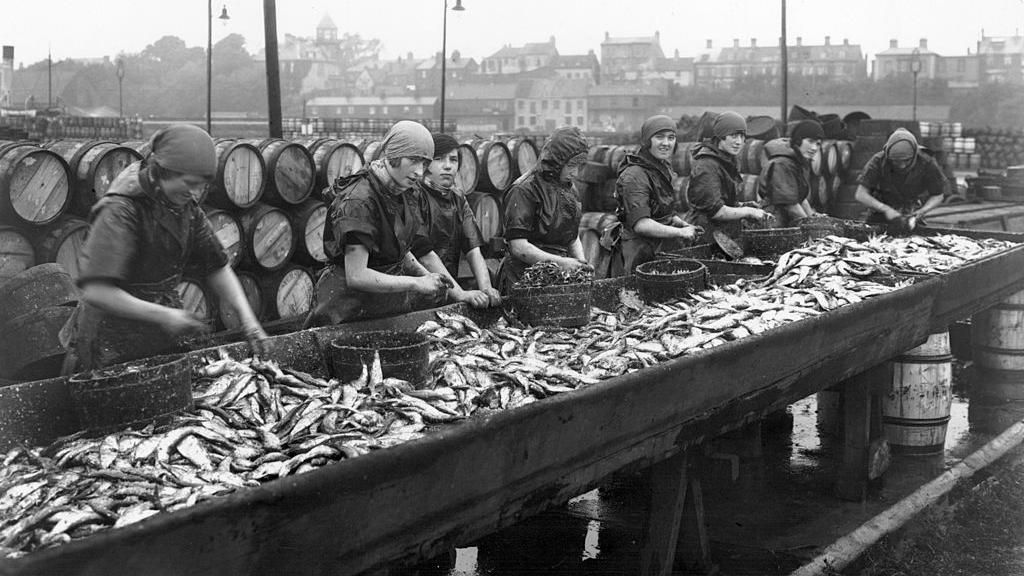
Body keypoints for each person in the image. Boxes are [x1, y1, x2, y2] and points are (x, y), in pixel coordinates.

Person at [60, 123, 267, 372]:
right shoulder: (121, 210)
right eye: (189, 183)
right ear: (161, 172)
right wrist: (164, 315)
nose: (196, 193)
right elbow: (97, 291)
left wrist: (248, 318)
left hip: (155, 328)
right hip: (107, 339)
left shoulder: (184, 207)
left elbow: (217, 266)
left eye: (202, 185)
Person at [304, 120, 452, 327]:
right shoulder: (359, 201)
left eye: (425, 164)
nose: (420, 172)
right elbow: (357, 275)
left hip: (386, 307)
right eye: (413, 160)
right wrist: (416, 282)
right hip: (345, 310)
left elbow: (399, 245)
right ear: (393, 156)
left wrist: (427, 276)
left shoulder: (406, 191)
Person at [413, 132, 502, 309]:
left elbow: (472, 248)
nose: (448, 166)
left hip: (447, 291)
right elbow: (425, 255)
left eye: (453, 160)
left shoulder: (458, 198)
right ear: (426, 163)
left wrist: (486, 288)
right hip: (415, 294)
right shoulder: (414, 195)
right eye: (439, 159)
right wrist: (460, 293)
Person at [498, 126, 591, 293]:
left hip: (559, 273)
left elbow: (572, 235)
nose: (575, 173)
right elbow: (518, 247)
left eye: (579, 166)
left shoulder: (569, 189)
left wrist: (581, 263)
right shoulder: (524, 189)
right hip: (523, 276)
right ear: (556, 161)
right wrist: (562, 263)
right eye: (570, 165)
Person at [615, 114, 702, 272]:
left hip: (661, 247)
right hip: (639, 252)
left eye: (671, 137)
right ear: (647, 141)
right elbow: (641, 224)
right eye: (659, 137)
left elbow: (663, 208)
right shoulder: (635, 175)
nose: (666, 143)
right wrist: (680, 232)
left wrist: (680, 222)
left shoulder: (662, 168)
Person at [685, 111, 767, 237]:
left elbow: (722, 200)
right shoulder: (707, 166)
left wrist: (742, 205)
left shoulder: (726, 161)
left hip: (721, 233)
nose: (739, 142)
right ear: (720, 136)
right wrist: (748, 211)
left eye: (742, 136)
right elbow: (715, 211)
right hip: (703, 234)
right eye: (733, 136)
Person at [854, 128, 948, 230]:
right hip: (880, 211)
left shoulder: (926, 162)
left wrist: (922, 211)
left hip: (911, 213)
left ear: (914, 155)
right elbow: (861, 194)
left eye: (907, 161)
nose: (902, 166)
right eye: (896, 161)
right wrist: (885, 209)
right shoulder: (878, 161)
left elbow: (938, 195)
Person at [757, 119, 827, 227]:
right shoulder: (782, 164)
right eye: (810, 141)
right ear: (798, 140)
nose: (814, 148)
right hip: (774, 225)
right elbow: (791, 206)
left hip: (787, 222)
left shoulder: (797, 161)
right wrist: (810, 227)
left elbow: (800, 199)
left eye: (818, 144)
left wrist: (812, 217)